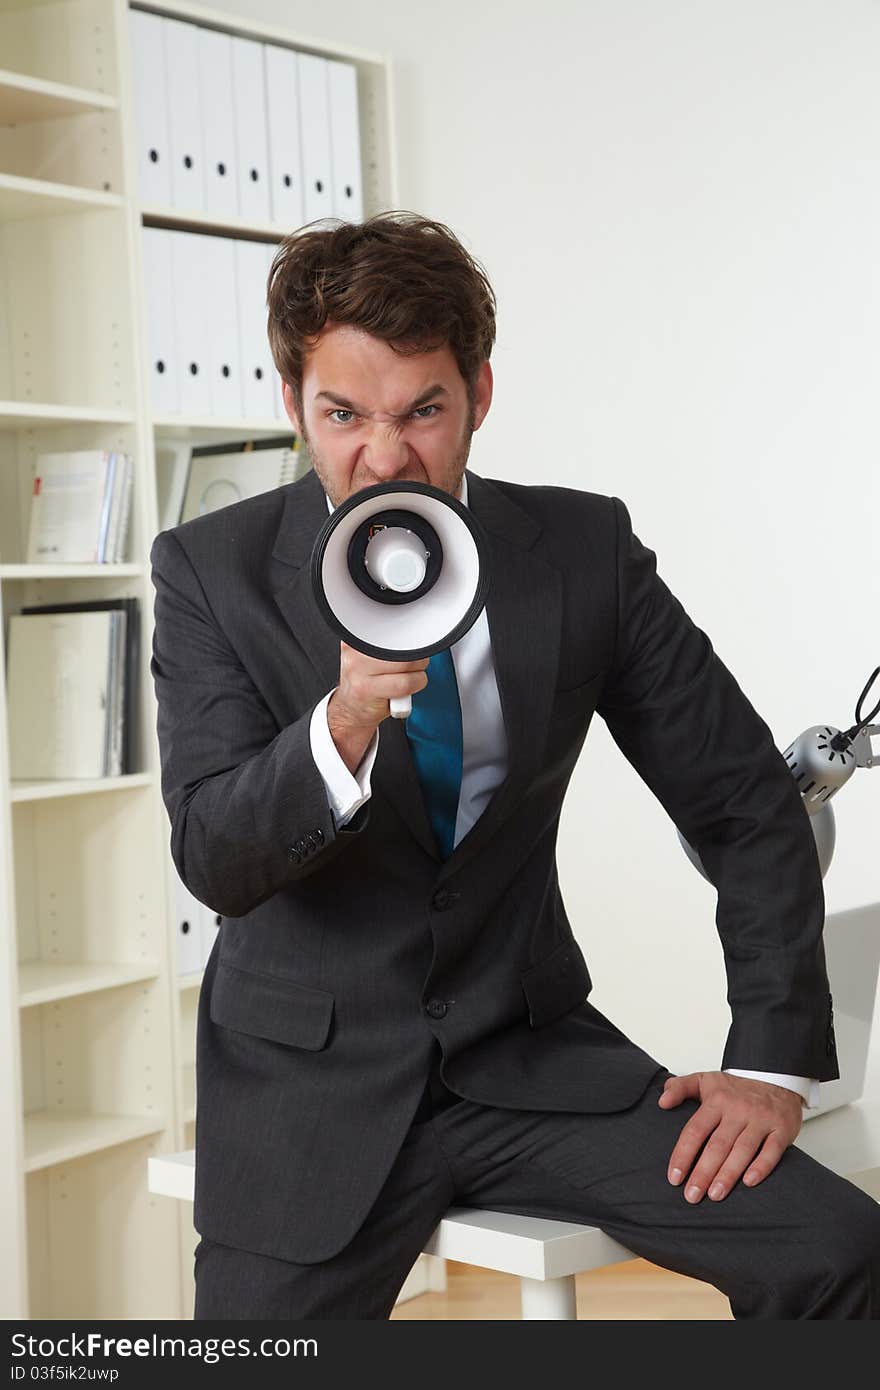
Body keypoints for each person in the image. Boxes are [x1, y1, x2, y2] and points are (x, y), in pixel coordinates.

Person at [149, 211, 880, 1320]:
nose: (384, 457)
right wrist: (343, 720)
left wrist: (771, 1060)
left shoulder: (584, 554)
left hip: (532, 1063)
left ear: (478, 396)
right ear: (292, 403)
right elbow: (214, 854)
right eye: (343, 414)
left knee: (841, 1250)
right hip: (311, 1088)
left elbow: (743, 800)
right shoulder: (213, 571)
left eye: (422, 412)